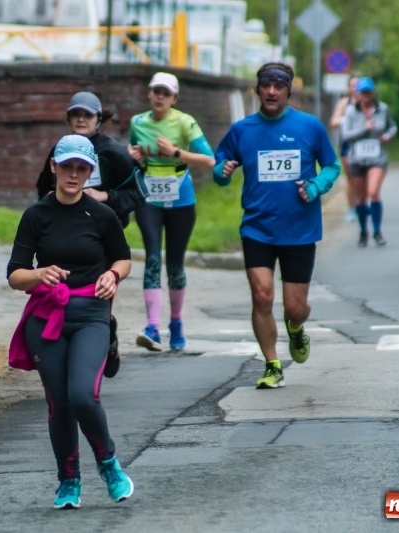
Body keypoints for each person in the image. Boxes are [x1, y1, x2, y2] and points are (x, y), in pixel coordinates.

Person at [8, 134, 134, 509]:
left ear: (90, 172)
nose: (74, 174)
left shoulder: (101, 215)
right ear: (54, 168)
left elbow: (123, 258)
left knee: (82, 395)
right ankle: (68, 480)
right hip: (46, 316)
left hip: (92, 313)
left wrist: (113, 275)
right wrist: (38, 274)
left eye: (82, 168)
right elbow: (15, 274)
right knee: (59, 403)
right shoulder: (36, 215)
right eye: (67, 167)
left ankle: (108, 462)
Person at [212, 62, 341, 389]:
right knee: (262, 296)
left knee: (295, 308)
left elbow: (331, 166)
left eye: (278, 86)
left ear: (288, 91)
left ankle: (296, 330)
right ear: (257, 90)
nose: (271, 91)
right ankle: (272, 363)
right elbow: (219, 165)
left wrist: (315, 186)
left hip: (299, 229)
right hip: (257, 228)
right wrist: (222, 171)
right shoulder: (243, 130)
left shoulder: (309, 126)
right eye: (266, 85)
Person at [36, 92, 147, 379]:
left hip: (103, 238)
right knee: (65, 298)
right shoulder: (59, 152)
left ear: (99, 119)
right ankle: (68, 351)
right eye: (76, 114)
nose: (81, 119)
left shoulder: (113, 152)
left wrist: (105, 196)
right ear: (69, 118)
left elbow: (139, 191)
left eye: (88, 114)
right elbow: (42, 190)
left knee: (99, 298)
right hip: (65, 237)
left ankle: (103, 343)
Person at [128, 72, 215, 352]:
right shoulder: (137, 123)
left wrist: (176, 153)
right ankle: (152, 326)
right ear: (149, 94)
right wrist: (132, 157)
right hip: (148, 198)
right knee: (153, 257)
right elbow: (131, 156)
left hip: (181, 200)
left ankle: (175, 322)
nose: (160, 97)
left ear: (174, 98)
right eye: (156, 91)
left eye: (166, 93)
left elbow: (209, 160)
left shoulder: (185, 122)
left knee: (175, 264)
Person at [341, 76, 398, 247]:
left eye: (368, 92)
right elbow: (346, 135)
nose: (366, 96)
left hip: (377, 158)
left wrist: (388, 135)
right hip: (357, 158)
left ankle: (377, 232)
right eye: (362, 92)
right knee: (361, 197)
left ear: (373, 93)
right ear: (358, 94)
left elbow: (392, 126)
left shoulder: (382, 109)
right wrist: (363, 129)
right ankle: (363, 231)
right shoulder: (351, 111)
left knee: (373, 192)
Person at [329, 74, 359, 222]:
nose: (355, 89)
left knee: (362, 177)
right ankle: (352, 208)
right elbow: (333, 121)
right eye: (352, 86)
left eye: (357, 85)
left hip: (362, 145)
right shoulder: (344, 103)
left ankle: (364, 204)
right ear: (348, 88)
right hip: (347, 143)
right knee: (351, 178)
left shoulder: (366, 102)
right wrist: (347, 120)